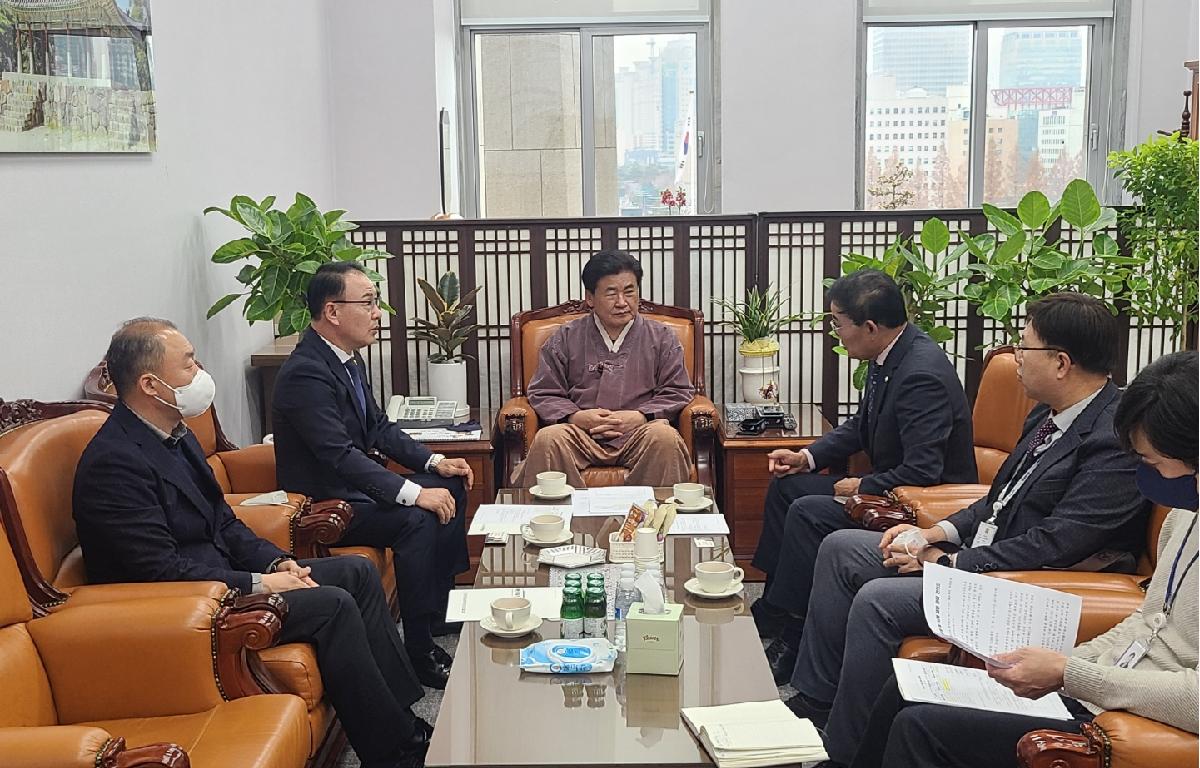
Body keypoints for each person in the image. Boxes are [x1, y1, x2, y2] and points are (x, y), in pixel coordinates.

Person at [785, 292, 1151, 764]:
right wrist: (932, 535)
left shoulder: (1112, 438)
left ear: (1061, 363)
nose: (1015, 358)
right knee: (842, 547)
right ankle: (818, 701)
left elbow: (1060, 542)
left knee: (879, 600)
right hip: (982, 561)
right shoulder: (1046, 413)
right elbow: (996, 501)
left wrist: (950, 563)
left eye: (1024, 347)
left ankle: (846, 752)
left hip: (1031, 587)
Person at [73, 318, 432, 768]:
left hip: (223, 574)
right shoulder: (115, 463)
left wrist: (278, 561)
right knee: (332, 604)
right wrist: (257, 584)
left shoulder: (174, 434)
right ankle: (394, 753)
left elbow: (224, 521)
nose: (200, 373)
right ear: (150, 383)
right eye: (188, 365)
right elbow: (158, 569)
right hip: (183, 605)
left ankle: (403, 720)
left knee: (355, 573)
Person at [841, 350, 1198, 768]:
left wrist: (1068, 674)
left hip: (1137, 722)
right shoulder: (1183, 517)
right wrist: (1060, 669)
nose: (1145, 471)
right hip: (1101, 692)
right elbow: (1143, 624)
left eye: (1152, 461)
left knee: (921, 727)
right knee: (904, 689)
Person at [753, 268, 977, 674]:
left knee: (807, 511)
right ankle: (775, 607)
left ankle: (797, 631)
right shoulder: (888, 354)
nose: (836, 334)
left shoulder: (921, 372)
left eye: (838, 325)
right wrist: (807, 457)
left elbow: (925, 471)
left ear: (870, 326)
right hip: (887, 489)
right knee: (787, 486)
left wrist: (864, 484)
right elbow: (863, 425)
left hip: (919, 506)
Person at [272, 262, 471, 689]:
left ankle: (435, 611)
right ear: (333, 311)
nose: (378, 312)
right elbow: (339, 455)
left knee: (453, 482)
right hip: (327, 504)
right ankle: (417, 650)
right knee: (417, 518)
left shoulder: (345, 360)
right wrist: (412, 492)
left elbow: (378, 426)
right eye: (368, 302)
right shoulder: (306, 373)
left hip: (355, 490)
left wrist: (434, 463)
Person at [511, 249, 695, 488]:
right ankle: (559, 522)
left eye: (629, 292)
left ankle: (649, 521)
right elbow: (544, 391)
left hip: (640, 432)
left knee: (665, 438)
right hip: (580, 434)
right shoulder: (565, 337)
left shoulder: (662, 338)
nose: (622, 302)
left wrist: (641, 416)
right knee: (548, 438)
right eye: (611, 293)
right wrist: (576, 416)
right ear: (590, 297)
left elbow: (678, 390)